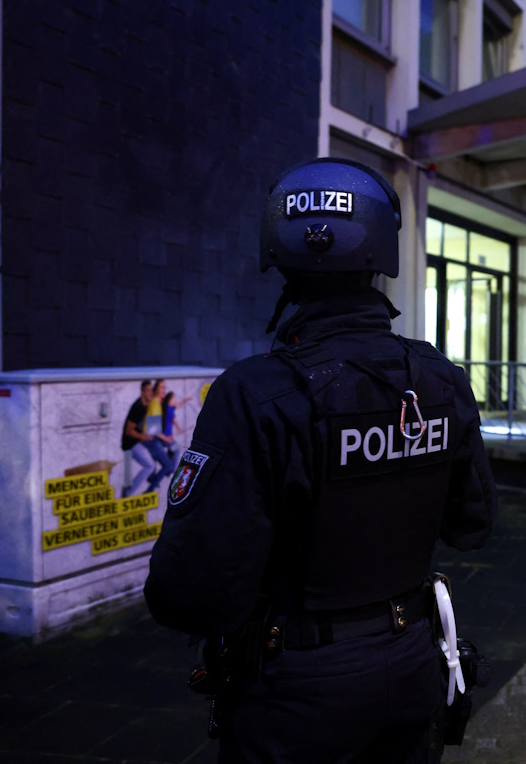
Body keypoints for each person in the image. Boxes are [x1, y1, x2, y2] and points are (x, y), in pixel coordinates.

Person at [144, 157, 497, 763]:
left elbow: (192, 590)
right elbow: (472, 525)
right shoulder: (441, 380)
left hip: (296, 687)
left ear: (278, 254)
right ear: (380, 251)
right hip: (413, 661)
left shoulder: (254, 393)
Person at [121, 380, 162, 496]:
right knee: (150, 465)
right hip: (131, 443)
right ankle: (128, 492)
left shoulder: (147, 406)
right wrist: (143, 437)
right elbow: (128, 431)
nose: (150, 393)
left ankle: (153, 479)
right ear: (142, 393)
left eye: (151, 391)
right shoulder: (138, 408)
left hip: (139, 440)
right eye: (147, 391)